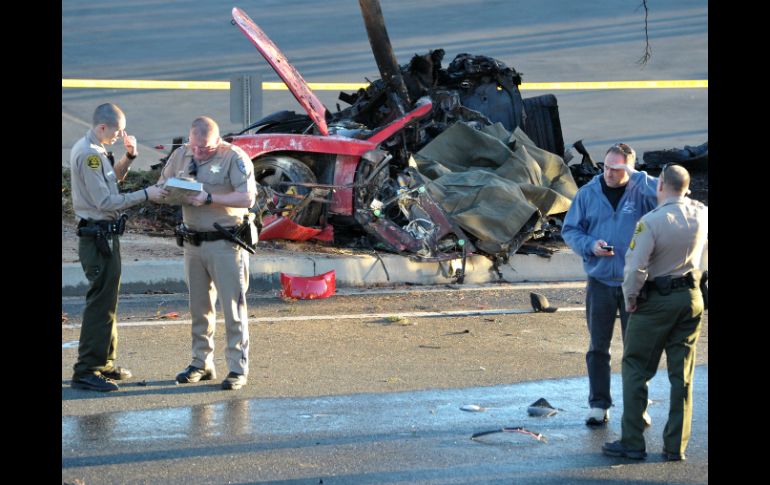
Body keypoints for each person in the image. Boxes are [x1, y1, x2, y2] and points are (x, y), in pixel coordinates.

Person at [602, 164, 708, 461]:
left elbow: (635, 267)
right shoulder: (702, 213)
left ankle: (632, 441)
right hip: (692, 295)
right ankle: (676, 446)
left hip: (657, 301)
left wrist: (631, 298)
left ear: (660, 184)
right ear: (686, 187)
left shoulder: (651, 222)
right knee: (683, 375)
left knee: (636, 367)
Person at [157, 116, 258, 390]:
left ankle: (237, 368)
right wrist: (168, 192)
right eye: (195, 146)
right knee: (199, 308)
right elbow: (162, 184)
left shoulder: (233, 157)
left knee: (233, 309)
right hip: (193, 243)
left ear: (218, 141)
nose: (199, 152)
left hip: (225, 244)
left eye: (206, 148)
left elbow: (247, 197)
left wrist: (210, 198)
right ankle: (201, 362)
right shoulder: (181, 154)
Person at [70, 103, 165, 392]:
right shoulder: (89, 156)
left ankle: (105, 361)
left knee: (108, 302)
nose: (119, 135)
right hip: (97, 238)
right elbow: (106, 202)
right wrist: (147, 193)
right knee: (100, 304)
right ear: (102, 127)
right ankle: (86, 369)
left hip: (105, 237)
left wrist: (130, 156)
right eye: (116, 131)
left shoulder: (96, 150)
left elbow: (113, 183)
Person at [562, 143, 658, 425]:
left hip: (634, 282)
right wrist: (591, 245)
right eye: (606, 167)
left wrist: (637, 176)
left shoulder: (642, 190)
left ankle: (637, 406)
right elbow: (570, 229)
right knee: (598, 347)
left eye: (617, 169)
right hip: (600, 282)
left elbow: (668, 196)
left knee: (636, 349)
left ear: (629, 168)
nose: (610, 174)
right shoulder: (588, 193)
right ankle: (598, 404)